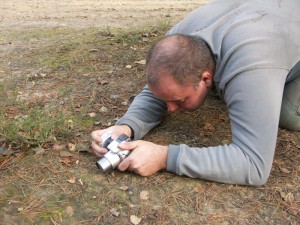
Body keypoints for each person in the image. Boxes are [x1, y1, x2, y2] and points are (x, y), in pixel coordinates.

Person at [91, 0, 300, 186]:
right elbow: (160, 90)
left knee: (288, 114)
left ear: (206, 79)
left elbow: (253, 164)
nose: (170, 110)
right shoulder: (177, 39)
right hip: (263, 14)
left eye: (179, 100)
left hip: (276, 31)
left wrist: (164, 157)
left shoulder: (252, 65)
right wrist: (126, 126)